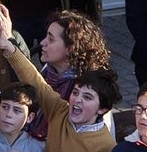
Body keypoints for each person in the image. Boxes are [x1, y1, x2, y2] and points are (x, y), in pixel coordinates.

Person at [0, 17, 118, 152]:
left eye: (87, 97)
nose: (77, 99)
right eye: (75, 92)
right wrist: (9, 47)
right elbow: (35, 80)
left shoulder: (106, 147)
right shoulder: (60, 111)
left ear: (102, 109)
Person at [23, 9, 112, 141]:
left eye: (51, 39)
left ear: (70, 48)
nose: (42, 42)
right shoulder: (48, 71)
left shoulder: (90, 88)